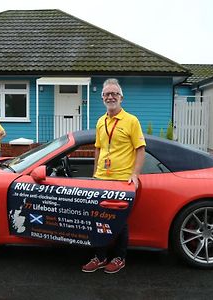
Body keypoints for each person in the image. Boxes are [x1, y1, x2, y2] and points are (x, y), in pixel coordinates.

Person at [82, 78, 146, 274]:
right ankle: (100, 257)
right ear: (102, 98)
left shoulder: (131, 121)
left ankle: (119, 258)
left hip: (121, 180)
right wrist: (94, 174)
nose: (111, 97)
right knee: (98, 218)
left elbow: (140, 149)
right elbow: (98, 149)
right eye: (107, 94)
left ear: (121, 97)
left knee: (119, 221)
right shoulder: (101, 121)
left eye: (114, 94)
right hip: (101, 178)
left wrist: (135, 174)